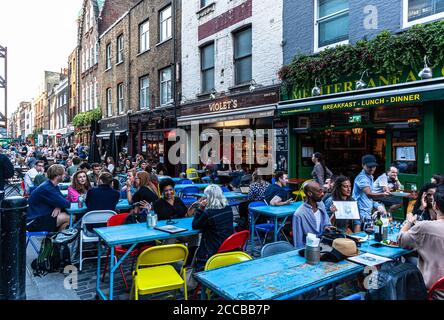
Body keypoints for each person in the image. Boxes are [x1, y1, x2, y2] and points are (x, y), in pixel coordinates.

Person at [398, 190, 444, 299]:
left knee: (398, 267)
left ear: (435, 206)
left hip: (433, 292)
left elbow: (401, 240)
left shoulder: (425, 227)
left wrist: (409, 221)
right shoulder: (425, 226)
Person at [192, 185, 234, 271]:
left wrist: (200, 208)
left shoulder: (209, 213)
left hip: (211, 250)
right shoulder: (228, 208)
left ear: (209, 197)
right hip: (228, 245)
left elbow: (195, 225)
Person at [26, 164, 71, 232]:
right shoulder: (48, 188)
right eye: (63, 173)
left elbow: (62, 200)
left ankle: (55, 239)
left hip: (39, 216)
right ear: (58, 175)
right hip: (34, 221)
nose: (65, 175)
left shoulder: (51, 184)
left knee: (67, 218)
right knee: (70, 218)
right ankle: (58, 240)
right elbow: (67, 204)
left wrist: (58, 206)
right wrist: (60, 204)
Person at [352, 154, 390, 231]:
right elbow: (369, 194)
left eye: (374, 166)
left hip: (366, 211)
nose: (372, 168)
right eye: (369, 166)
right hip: (359, 211)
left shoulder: (370, 177)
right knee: (359, 236)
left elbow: (368, 199)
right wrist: (383, 194)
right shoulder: (362, 178)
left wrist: (377, 205)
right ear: (363, 165)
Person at [292, 181, 335, 248]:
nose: (322, 194)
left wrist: (326, 227)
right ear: (310, 194)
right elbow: (298, 242)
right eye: (319, 191)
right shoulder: (299, 214)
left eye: (322, 190)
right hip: (309, 249)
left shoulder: (321, 204)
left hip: (324, 244)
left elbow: (326, 224)